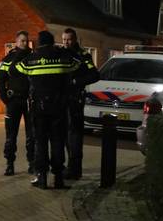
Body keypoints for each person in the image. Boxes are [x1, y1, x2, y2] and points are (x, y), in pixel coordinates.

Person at [16, 30, 79, 189]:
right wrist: (65, 50)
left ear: (38, 42)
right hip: (59, 108)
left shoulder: (31, 59)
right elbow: (77, 64)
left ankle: (42, 177)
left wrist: (24, 52)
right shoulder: (62, 58)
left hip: (39, 108)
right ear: (52, 42)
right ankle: (58, 178)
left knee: (40, 142)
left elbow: (15, 69)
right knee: (57, 141)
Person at [61, 28, 100, 179]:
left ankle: (75, 169)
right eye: (64, 39)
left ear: (75, 39)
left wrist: (76, 81)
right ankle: (70, 167)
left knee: (75, 135)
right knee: (65, 134)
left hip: (76, 99)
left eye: (68, 39)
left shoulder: (83, 55)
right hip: (62, 99)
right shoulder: (60, 53)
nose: (66, 42)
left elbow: (95, 75)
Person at [0, 30, 34, 176]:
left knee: (32, 135)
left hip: (30, 101)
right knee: (11, 135)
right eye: (22, 41)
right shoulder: (7, 59)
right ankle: (10, 164)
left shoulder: (33, 58)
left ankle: (32, 163)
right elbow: (0, 80)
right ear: (16, 42)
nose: (24, 43)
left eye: (26, 41)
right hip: (14, 101)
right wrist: (6, 99)